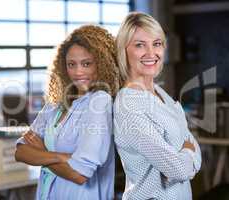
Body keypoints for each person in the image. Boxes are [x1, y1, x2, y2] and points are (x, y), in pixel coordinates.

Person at [15, 25, 120, 200]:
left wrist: (41, 152)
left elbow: (79, 175)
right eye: (72, 64)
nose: (78, 72)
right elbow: (20, 151)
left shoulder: (99, 101)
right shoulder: (55, 105)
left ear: (101, 64)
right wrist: (60, 157)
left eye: (87, 64)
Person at [113, 12, 202, 200]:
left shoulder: (160, 93)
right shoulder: (128, 105)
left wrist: (184, 159)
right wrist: (187, 155)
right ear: (124, 50)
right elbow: (177, 168)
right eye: (139, 45)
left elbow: (191, 141)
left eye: (157, 43)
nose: (151, 53)